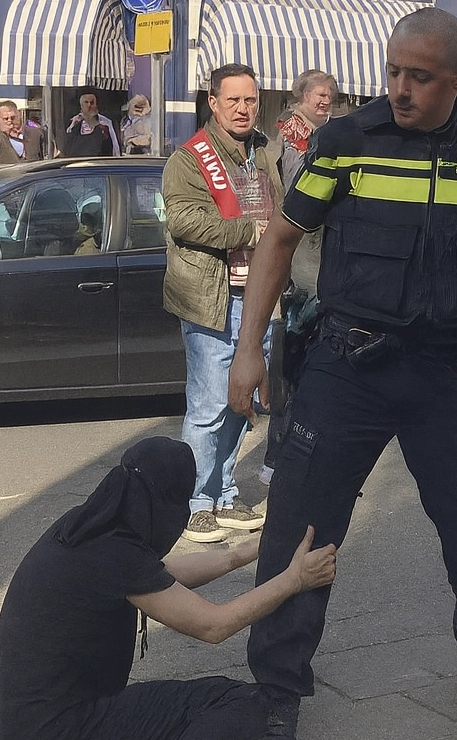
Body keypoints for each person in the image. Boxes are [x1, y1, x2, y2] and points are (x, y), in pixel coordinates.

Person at [226, 7, 457, 740]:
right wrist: (248, 349)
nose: (400, 90)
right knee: (302, 533)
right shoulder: (347, 141)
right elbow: (280, 240)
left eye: (421, 77)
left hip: (448, 376)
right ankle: (276, 695)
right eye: (393, 72)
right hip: (349, 370)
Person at [0, 436, 337, 740]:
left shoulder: (85, 528)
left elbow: (161, 574)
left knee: (180, 727)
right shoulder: (117, 558)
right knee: (242, 703)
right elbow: (214, 626)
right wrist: (295, 580)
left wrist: (245, 552)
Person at [162, 64, 283, 544]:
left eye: (250, 100)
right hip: (213, 296)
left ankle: (224, 491)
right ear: (212, 103)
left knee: (243, 401)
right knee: (210, 404)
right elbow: (186, 222)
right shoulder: (189, 159)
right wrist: (251, 230)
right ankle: (195, 503)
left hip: (259, 296)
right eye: (232, 100)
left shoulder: (263, 153)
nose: (242, 109)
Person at [259, 69, 338, 484]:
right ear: (300, 97)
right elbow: (298, 200)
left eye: (330, 95)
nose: (326, 101)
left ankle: (290, 455)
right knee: (292, 368)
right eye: (319, 94)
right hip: (298, 269)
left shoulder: (316, 135)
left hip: (309, 266)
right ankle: (281, 459)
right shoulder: (295, 139)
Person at [0, 100, 45, 168]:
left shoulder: (35, 134)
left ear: (19, 115)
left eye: (13, 118)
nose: (10, 121)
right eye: (6, 119)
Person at [65, 90, 121, 157]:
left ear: (96, 105)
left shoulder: (106, 122)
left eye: (92, 102)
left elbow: (114, 144)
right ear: (81, 106)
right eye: (86, 102)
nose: (89, 105)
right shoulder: (74, 123)